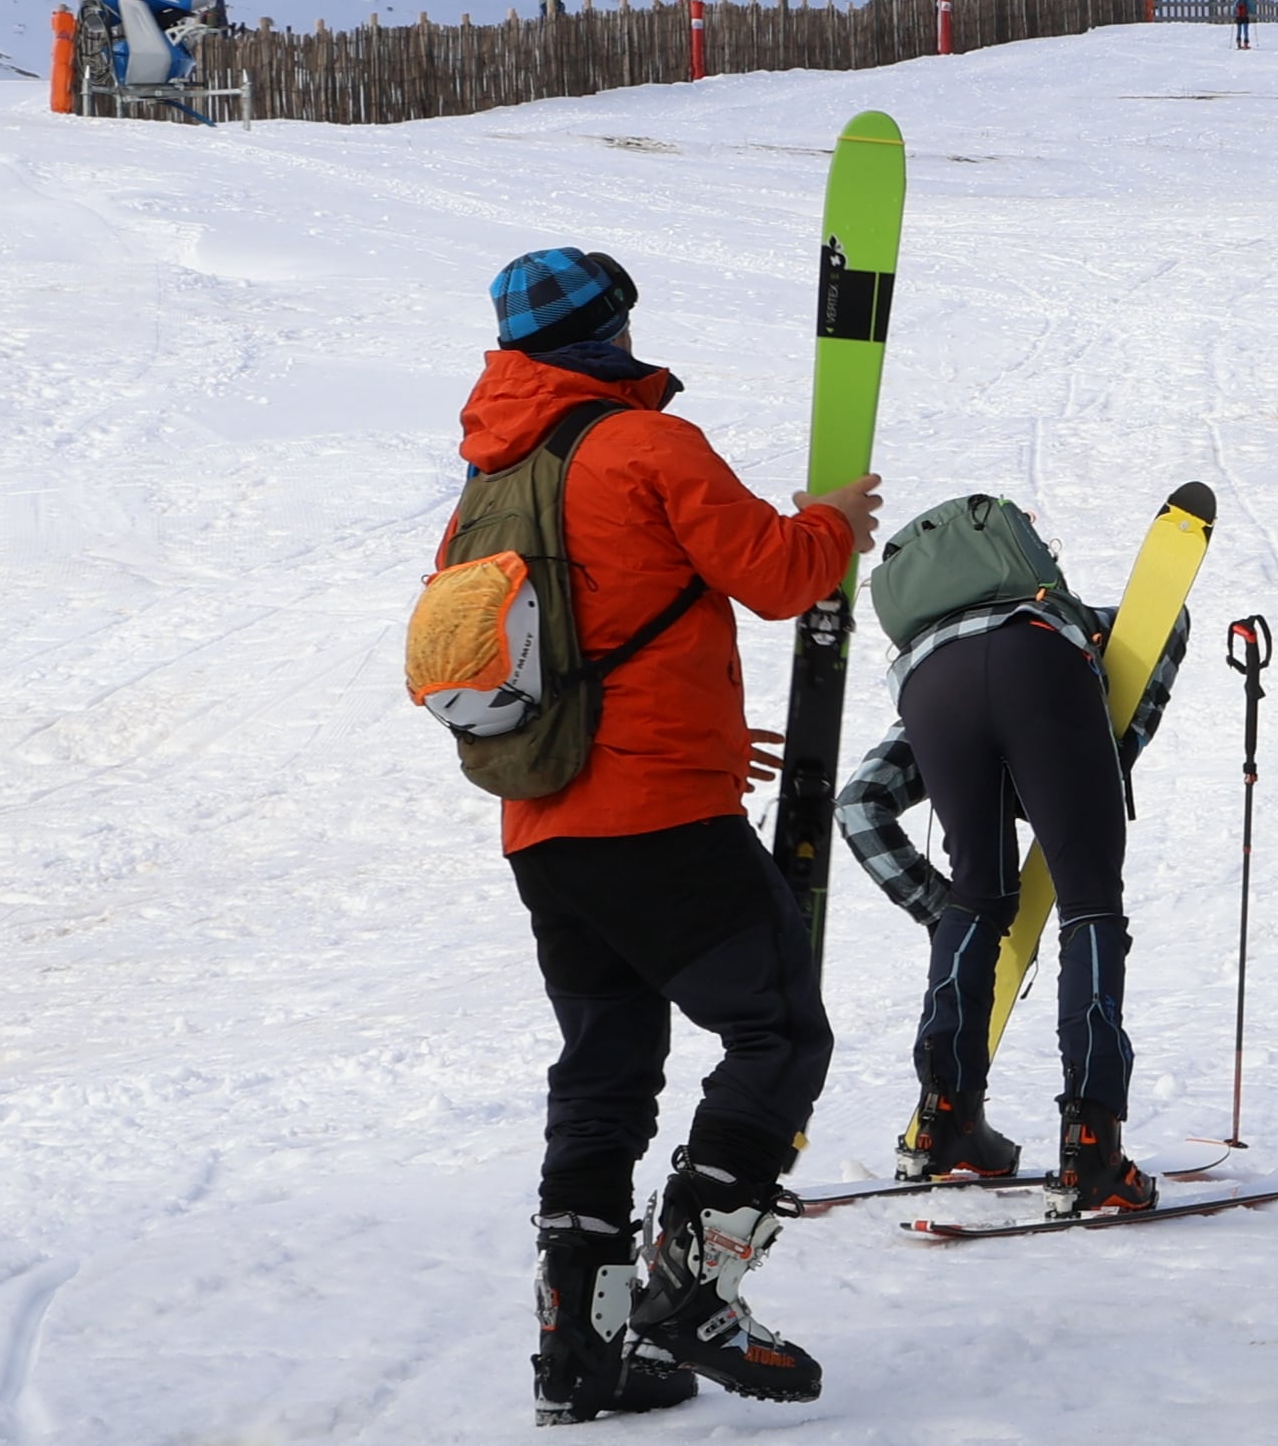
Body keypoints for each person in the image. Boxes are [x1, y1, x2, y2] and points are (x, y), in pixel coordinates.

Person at [460, 247, 881, 1420]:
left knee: (602, 1073)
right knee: (779, 1030)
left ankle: (579, 1353)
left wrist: (694, 731)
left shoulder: (491, 474)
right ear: (608, 328)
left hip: (545, 826)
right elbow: (778, 574)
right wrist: (831, 520)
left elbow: (563, 643)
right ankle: (692, 1289)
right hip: (655, 817)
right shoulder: (646, 444)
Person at [836, 527, 1192, 1212]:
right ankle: (1092, 1148)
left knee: (978, 896)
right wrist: (1114, 746)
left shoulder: (932, 656)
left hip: (930, 695)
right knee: (1089, 902)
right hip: (1043, 669)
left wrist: (942, 914)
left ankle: (946, 1127)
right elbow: (1164, 618)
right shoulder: (1051, 616)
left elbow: (858, 805)